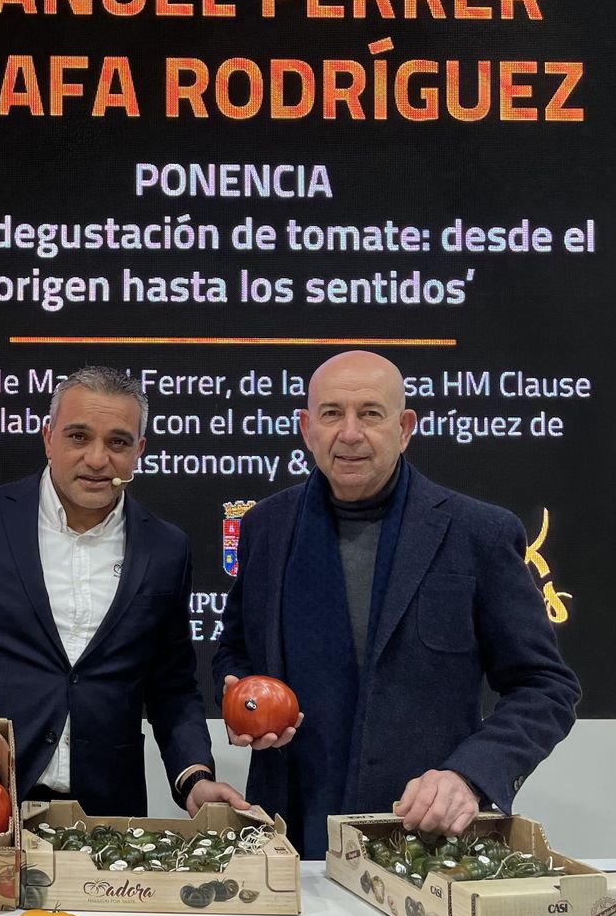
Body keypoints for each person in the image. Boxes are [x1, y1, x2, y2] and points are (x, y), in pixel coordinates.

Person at [213, 350, 581, 859]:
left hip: (425, 840)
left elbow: (546, 687)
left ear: (405, 427)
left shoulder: (479, 532)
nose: (349, 432)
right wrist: (238, 696)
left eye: (370, 413)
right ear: (305, 427)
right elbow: (235, 649)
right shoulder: (266, 528)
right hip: (288, 838)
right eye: (331, 413)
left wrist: (470, 774)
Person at [0, 366, 245, 818]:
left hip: (109, 813)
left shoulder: (166, 547)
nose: (97, 459)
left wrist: (195, 777)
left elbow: (172, 686)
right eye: (78, 436)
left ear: (139, 452)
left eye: (118, 442)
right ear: (48, 437)